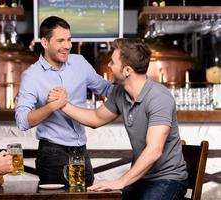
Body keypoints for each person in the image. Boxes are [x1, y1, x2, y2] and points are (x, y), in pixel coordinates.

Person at [49, 38, 188, 200]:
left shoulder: (159, 97)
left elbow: (154, 150)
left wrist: (120, 182)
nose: (108, 66)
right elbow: (95, 118)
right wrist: (63, 105)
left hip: (168, 179)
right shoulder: (120, 93)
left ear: (127, 70)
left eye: (113, 62)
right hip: (141, 179)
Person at [15, 16, 113, 186]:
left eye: (69, 39)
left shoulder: (79, 63)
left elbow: (106, 88)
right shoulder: (31, 76)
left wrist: (135, 85)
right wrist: (53, 106)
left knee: (89, 198)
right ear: (45, 43)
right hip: (52, 153)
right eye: (60, 40)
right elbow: (22, 121)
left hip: (81, 150)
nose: (67, 46)